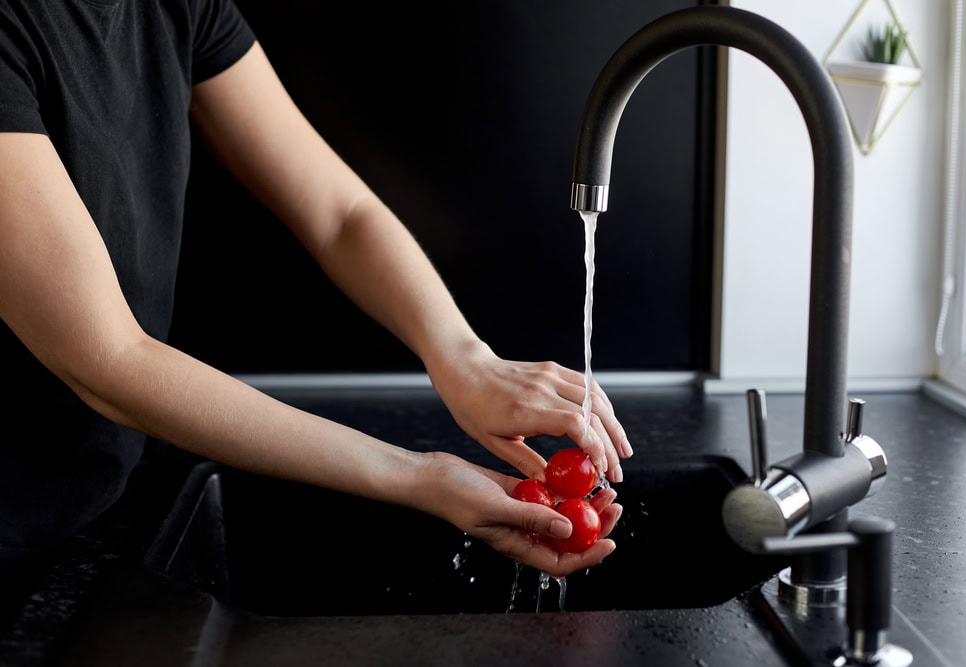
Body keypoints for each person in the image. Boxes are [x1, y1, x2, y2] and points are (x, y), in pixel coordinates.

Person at [0, 0, 631, 579]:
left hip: (93, 501)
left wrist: (464, 359)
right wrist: (419, 478)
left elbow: (338, 214)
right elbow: (107, 360)